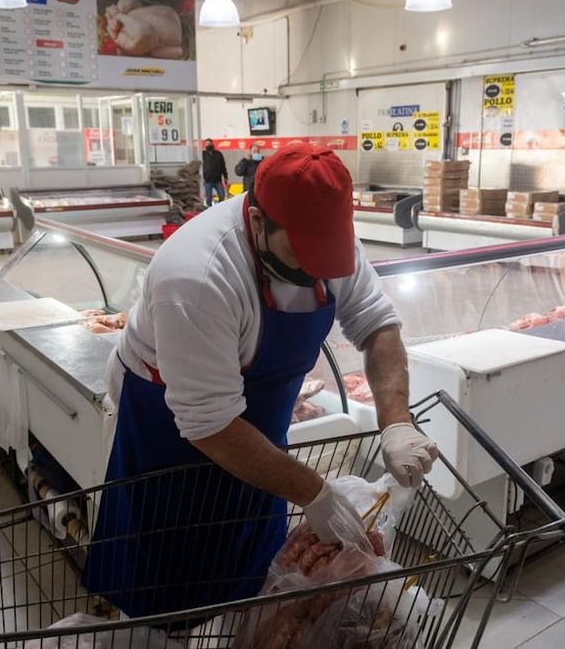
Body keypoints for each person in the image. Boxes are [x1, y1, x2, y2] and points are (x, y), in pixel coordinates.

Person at [85, 143, 438, 618]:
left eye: (326, 255)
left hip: (255, 424)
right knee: (167, 567)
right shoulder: (197, 275)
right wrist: (314, 492)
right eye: (302, 254)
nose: (317, 269)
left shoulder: (328, 239)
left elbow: (378, 327)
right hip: (166, 425)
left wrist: (395, 423)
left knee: (254, 556)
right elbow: (209, 423)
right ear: (257, 221)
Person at [201, 138, 228, 206]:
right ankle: (209, 211)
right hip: (207, 181)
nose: (208, 145)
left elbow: (223, 166)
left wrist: (225, 176)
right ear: (204, 145)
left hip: (218, 180)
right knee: (208, 198)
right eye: (207, 144)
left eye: (210, 144)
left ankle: (218, 208)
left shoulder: (218, 154)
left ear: (213, 144)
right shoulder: (202, 154)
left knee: (222, 196)